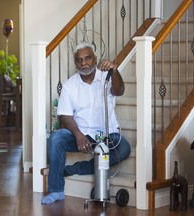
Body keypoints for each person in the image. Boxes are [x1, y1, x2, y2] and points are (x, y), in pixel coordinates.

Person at [41, 42, 131, 205]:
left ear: (95, 59)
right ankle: (56, 190)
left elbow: (119, 91)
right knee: (56, 138)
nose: (83, 63)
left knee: (124, 148)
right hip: (81, 135)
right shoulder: (69, 86)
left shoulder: (107, 76)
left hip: (107, 135)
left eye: (87, 58)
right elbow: (65, 117)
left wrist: (114, 70)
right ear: (75, 63)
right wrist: (78, 135)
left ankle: (77, 169)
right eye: (79, 60)